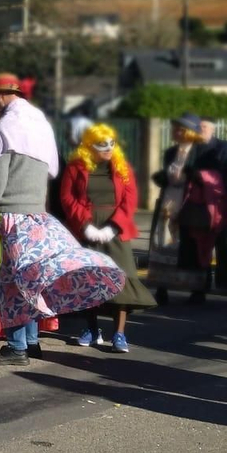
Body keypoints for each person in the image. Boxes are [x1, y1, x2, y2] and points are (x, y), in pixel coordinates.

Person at [0, 73, 125, 366]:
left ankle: (17, 347)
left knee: (10, 281)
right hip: (36, 215)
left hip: (10, 214)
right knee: (31, 277)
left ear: (3, 94)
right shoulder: (41, 124)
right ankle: (32, 342)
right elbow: (51, 171)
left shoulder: (6, 127)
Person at [59, 124, 155, 352]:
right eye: (103, 146)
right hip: (87, 228)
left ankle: (119, 333)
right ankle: (91, 329)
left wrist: (113, 226)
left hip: (116, 230)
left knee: (122, 278)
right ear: (90, 146)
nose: (108, 149)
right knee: (88, 280)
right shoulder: (76, 166)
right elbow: (67, 197)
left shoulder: (122, 167)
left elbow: (130, 199)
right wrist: (85, 225)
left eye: (112, 144)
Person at [147, 114, 227, 305]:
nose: (176, 132)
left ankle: (197, 290)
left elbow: (215, 177)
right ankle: (161, 288)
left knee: (193, 245)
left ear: (191, 131)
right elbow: (168, 174)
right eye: (175, 128)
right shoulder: (171, 152)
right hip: (169, 201)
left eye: (180, 128)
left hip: (192, 204)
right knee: (164, 243)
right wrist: (163, 177)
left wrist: (192, 175)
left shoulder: (203, 151)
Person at [196, 118, 227, 292]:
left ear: (213, 129)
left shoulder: (223, 147)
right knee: (200, 243)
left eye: (204, 127)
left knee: (221, 242)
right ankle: (203, 282)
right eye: (199, 127)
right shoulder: (192, 147)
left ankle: (224, 281)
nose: (201, 130)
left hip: (219, 200)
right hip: (197, 201)